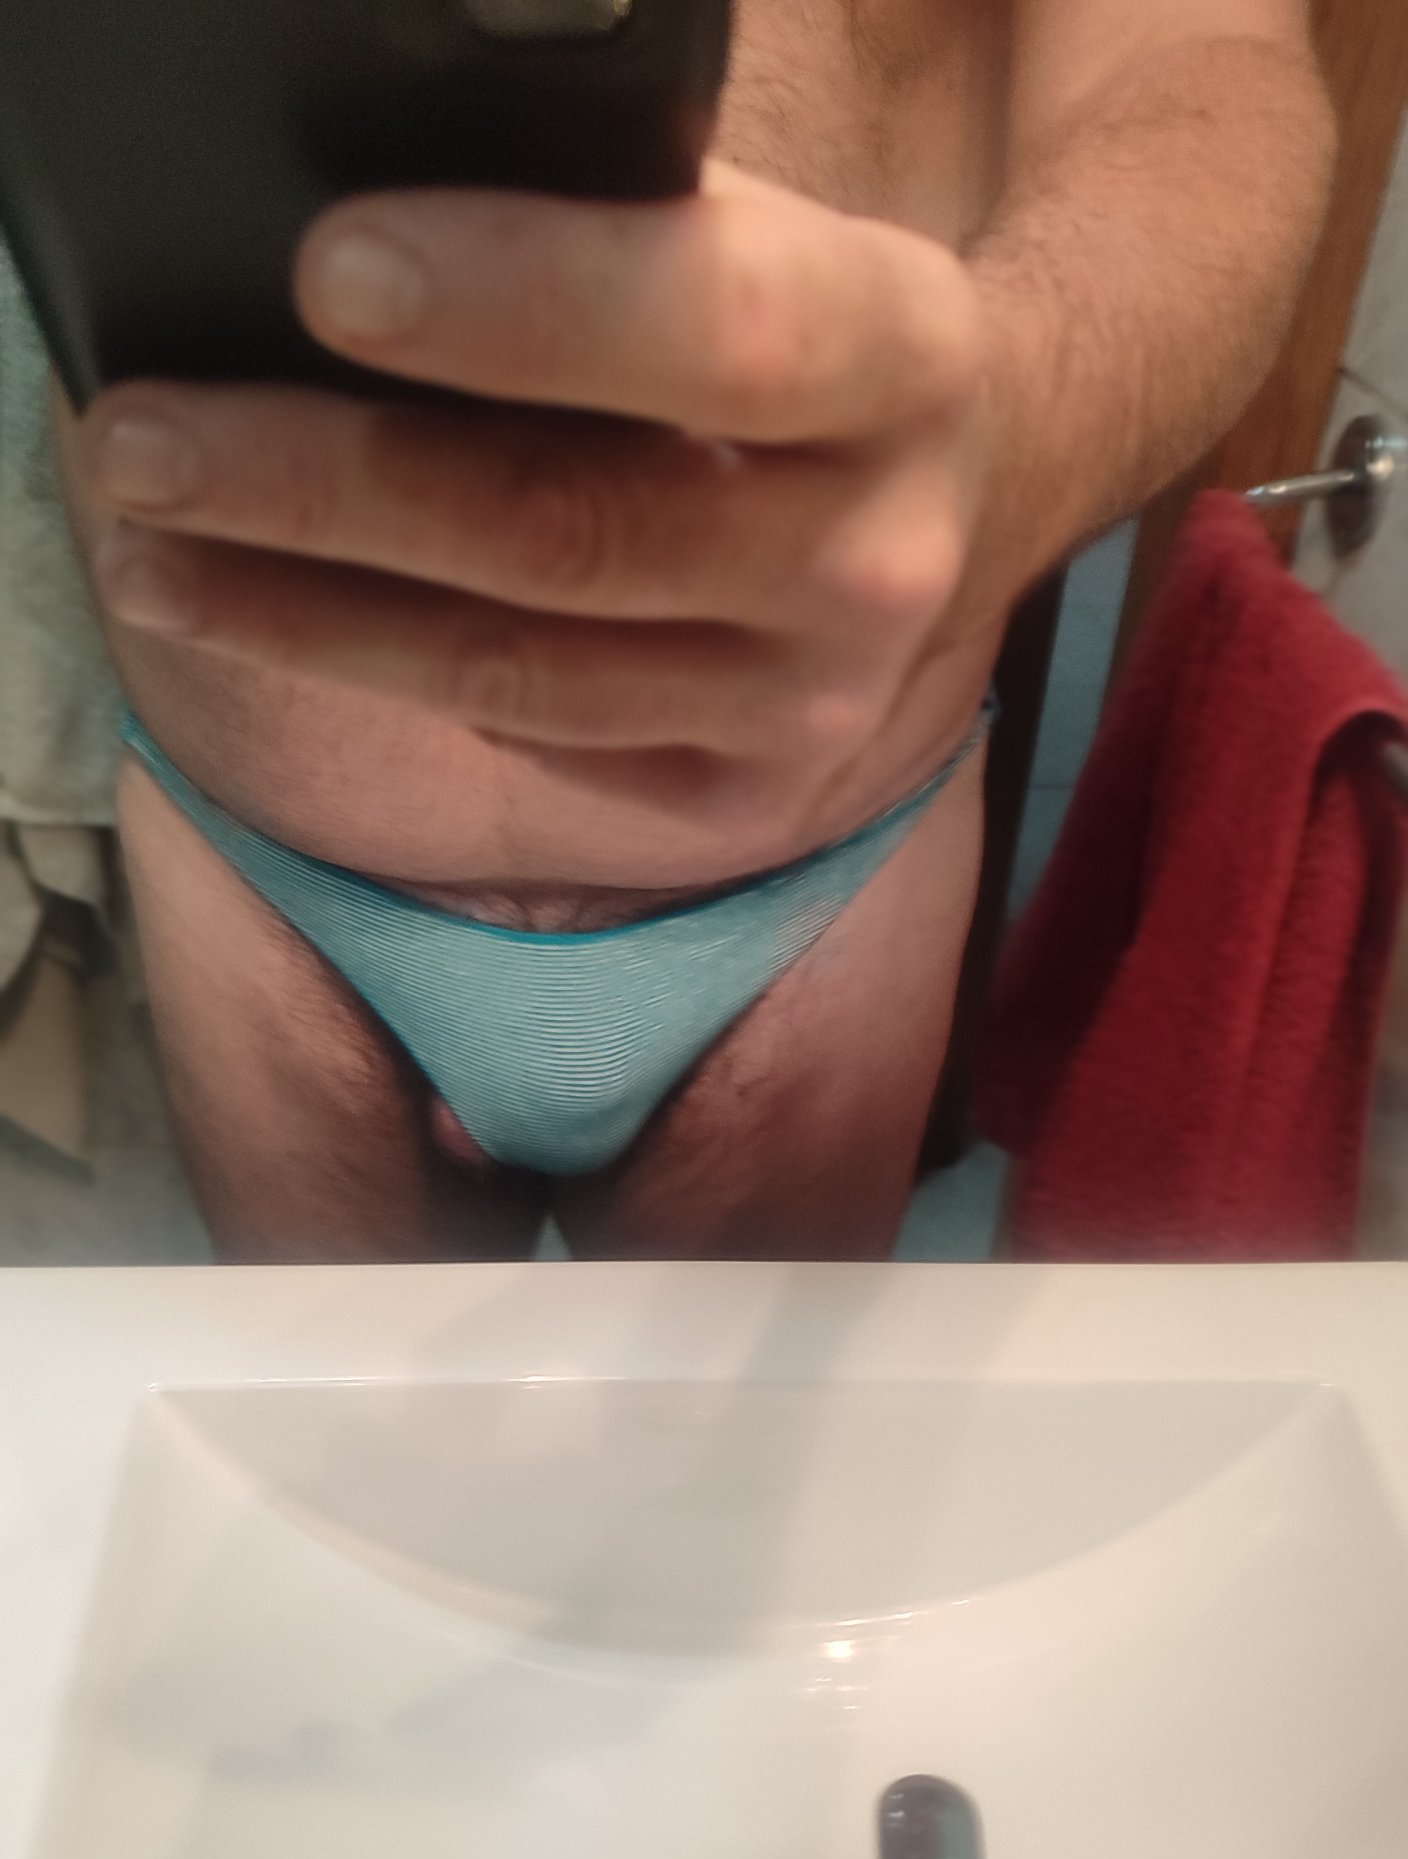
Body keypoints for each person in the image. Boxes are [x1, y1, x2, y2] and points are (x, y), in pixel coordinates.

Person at [54, 0, 1333, 1260]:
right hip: (260, 885)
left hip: (821, 900)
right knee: (323, 1406)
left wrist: (1026, 419)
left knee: (743, 1420)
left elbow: (1197, 52)